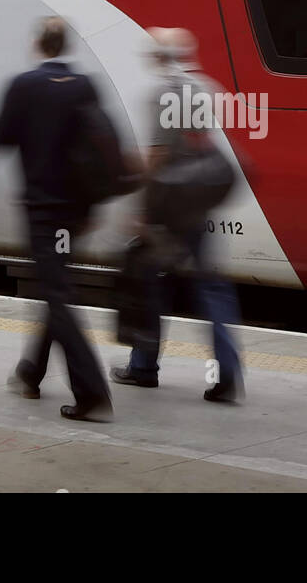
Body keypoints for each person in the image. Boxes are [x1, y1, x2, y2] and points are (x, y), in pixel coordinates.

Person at [0, 17, 113, 422]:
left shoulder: (24, 86)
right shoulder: (86, 86)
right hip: (74, 214)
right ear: (65, 45)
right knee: (54, 288)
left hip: (43, 211)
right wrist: (94, 209)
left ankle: (92, 393)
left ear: (40, 44)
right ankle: (30, 373)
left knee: (57, 295)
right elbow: (100, 150)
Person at [111, 27, 244, 403]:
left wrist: (139, 212)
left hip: (167, 209)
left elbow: (157, 158)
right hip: (197, 206)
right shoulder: (204, 88)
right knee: (212, 289)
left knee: (148, 283)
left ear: (159, 58)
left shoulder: (161, 95)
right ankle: (229, 374)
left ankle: (143, 367)